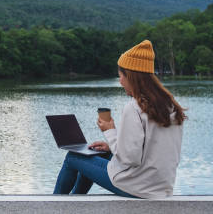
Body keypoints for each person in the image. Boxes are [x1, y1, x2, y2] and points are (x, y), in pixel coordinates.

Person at [53, 40, 186, 199]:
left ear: (130, 76)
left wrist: (109, 131)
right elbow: (148, 150)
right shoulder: (170, 105)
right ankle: (73, 204)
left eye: (120, 76)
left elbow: (130, 158)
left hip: (138, 187)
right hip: (161, 186)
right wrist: (110, 146)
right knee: (94, 155)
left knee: (74, 157)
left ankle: (53, 206)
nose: (120, 81)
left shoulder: (134, 107)